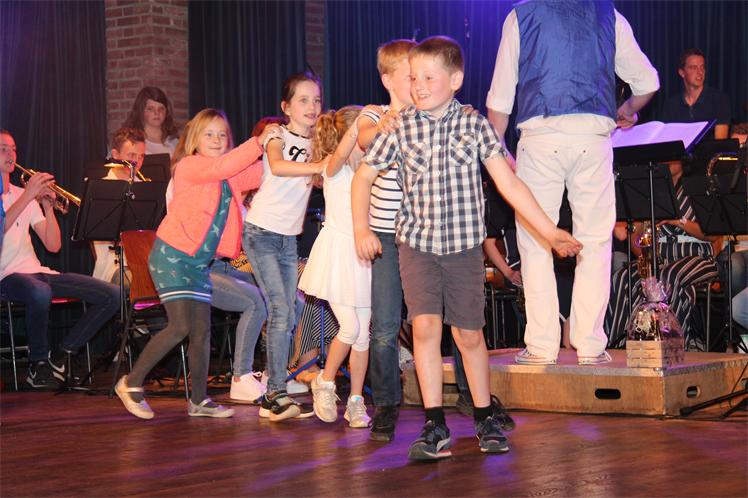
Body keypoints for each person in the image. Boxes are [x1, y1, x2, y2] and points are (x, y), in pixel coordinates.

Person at [358, 36, 582, 461]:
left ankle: (483, 415)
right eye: (414, 78)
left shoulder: (474, 125)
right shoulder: (401, 127)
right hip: (417, 246)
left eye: (429, 77)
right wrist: (360, 228)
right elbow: (363, 177)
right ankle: (434, 423)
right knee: (425, 329)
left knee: (468, 334)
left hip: (462, 249)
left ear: (455, 80)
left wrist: (550, 231)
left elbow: (509, 182)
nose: (419, 86)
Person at [486, 0, 660, 366]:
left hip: (540, 136)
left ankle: (541, 345)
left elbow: (500, 99)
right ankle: (590, 345)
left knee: (535, 239)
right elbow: (648, 83)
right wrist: (628, 110)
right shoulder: (608, 15)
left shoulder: (522, 15)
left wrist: (497, 150)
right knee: (595, 241)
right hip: (592, 137)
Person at [114, 108, 277, 419]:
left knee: (201, 330)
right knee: (181, 326)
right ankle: (131, 383)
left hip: (199, 263)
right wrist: (259, 141)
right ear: (194, 140)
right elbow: (226, 165)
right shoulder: (190, 166)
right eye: (209, 134)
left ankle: (199, 401)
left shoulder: (227, 175)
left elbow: (264, 172)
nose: (216, 140)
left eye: (222, 135)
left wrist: (289, 151)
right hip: (173, 256)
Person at [0, 130, 120, 388]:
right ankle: (38, 364)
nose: (11, 155)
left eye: (14, 149)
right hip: (6, 276)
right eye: (3, 149)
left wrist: (47, 207)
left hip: (38, 273)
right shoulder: (23, 196)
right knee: (40, 292)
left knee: (113, 294)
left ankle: (61, 355)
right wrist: (28, 195)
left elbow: (53, 246)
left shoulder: (23, 194)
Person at [243, 72, 326, 421]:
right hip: (261, 232)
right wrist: (319, 164)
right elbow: (277, 167)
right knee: (280, 309)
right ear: (286, 107)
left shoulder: (318, 143)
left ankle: (276, 386)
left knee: (290, 312)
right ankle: (274, 393)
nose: (312, 106)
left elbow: (321, 176)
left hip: (288, 238)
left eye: (316, 100)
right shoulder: (276, 135)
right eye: (303, 100)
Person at [349, 38, 415, 442]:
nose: (418, 83)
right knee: (386, 324)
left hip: (423, 234)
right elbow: (364, 137)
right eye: (410, 76)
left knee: (442, 319)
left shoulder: (428, 114)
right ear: (388, 79)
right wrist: (384, 125)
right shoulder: (376, 114)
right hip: (387, 236)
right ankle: (387, 403)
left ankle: (467, 395)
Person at [298, 106, 375, 428]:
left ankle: (355, 400)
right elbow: (343, 153)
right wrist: (362, 123)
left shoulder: (371, 169)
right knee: (350, 327)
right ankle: (325, 381)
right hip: (338, 254)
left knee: (363, 335)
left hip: (362, 256)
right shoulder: (334, 166)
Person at [606, 161, 720, 349]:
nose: (667, 161)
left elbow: (713, 234)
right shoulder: (650, 191)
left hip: (697, 257)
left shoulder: (698, 188)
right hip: (659, 258)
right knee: (622, 277)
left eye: (672, 157)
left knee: (669, 275)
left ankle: (670, 343)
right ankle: (619, 342)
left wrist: (677, 220)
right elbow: (635, 242)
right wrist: (642, 227)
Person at [91, 127, 147, 284]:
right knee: (139, 282)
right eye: (131, 155)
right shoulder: (99, 189)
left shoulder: (146, 189)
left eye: (141, 156)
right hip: (115, 267)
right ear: (115, 155)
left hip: (145, 262)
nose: (137, 162)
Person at [660, 48, 731, 140]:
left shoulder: (719, 99)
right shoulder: (671, 104)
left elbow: (720, 142)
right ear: (682, 73)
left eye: (702, 67)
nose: (700, 72)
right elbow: (668, 139)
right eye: (693, 68)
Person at [122, 86, 180, 156]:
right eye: (150, 109)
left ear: (167, 111)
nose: (157, 113)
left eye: (161, 109)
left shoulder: (175, 143)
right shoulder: (129, 142)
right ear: (141, 111)